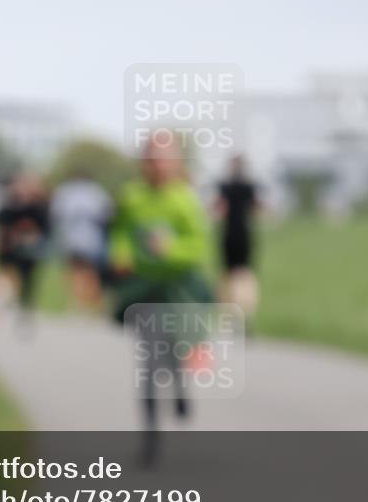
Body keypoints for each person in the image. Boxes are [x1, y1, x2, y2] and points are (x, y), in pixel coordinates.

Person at [109, 134, 212, 464]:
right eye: (152, 159)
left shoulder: (184, 199)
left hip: (179, 290)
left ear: (176, 162)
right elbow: (120, 232)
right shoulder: (132, 196)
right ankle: (150, 438)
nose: (158, 165)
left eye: (164, 159)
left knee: (177, 350)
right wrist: (122, 254)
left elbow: (199, 247)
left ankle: (180, 388)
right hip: (145, 290)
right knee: (150, 364)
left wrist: (170, 249)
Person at [0, 173, 50, 327]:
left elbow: (46, 227)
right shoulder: (9, 205)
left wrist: (32, 236)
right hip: (11, 247)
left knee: (28, 278)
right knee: (8, 276)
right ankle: (7, 301)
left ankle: (25, 306)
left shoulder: (38, 207)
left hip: (30, 249)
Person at [50, 171, 112, 311]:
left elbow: (56, 214)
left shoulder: (65, 190)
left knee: (76, 270)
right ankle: (90, 302)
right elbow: (106, 213)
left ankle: (80, 302)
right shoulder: (96, 191)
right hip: (90, 239)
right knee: (89, 271)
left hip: (72, 238)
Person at [214, 154, 261, 321]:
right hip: (244, 234)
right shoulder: (249, 187)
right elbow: (256, 209)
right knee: (243, 274)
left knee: (229, 274)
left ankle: (228, 312)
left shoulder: (225, 187)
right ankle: (244, 312)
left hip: (229, 234)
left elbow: (219, 209)